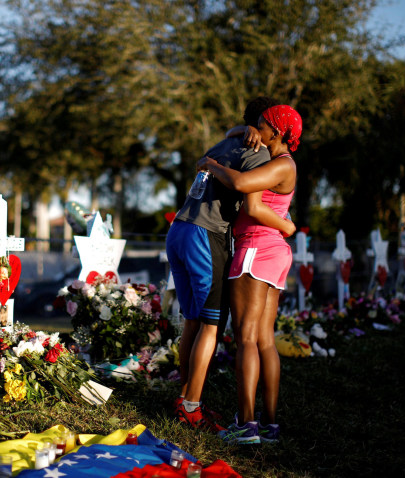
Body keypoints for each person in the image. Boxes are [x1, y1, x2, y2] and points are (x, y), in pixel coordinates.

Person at [166, 96, 295, 433]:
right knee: (213, 324)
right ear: (263, 126)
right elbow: (248, 199)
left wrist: (222, 150)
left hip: (179, 228)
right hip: (206, 235)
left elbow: (239, 167)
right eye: (262, 124)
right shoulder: (259, 151)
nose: (262, 130)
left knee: (194, 321)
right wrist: (286, 225)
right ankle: (193, 406)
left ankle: (187, 400)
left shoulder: (228, 142)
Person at [197, 104, 302, 444]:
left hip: (256, 249)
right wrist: (242, 132)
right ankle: (269, 424)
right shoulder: (278, 162)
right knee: (264, 340)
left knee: (246, 339)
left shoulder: (280, 165)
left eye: (263, 125)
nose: (258, 128)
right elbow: (236, 135)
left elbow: (244, 189)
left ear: (279, 132)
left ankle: (246, 424)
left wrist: (211, 165)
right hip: (271, 252)